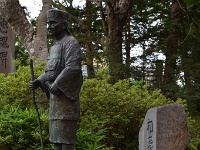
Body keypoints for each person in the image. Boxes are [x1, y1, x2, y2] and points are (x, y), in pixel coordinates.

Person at [30, 9, 83, 150]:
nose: (49, 26)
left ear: (64, 25)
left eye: (53, 23)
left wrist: (58, 84)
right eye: (48, 23)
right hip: (55, 103)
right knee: (55, 140)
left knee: (66, 141)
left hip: (66, 101)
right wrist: (39, 80)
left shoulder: (71, 43)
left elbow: (73, 68)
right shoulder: (54, 46)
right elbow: (51, 71)